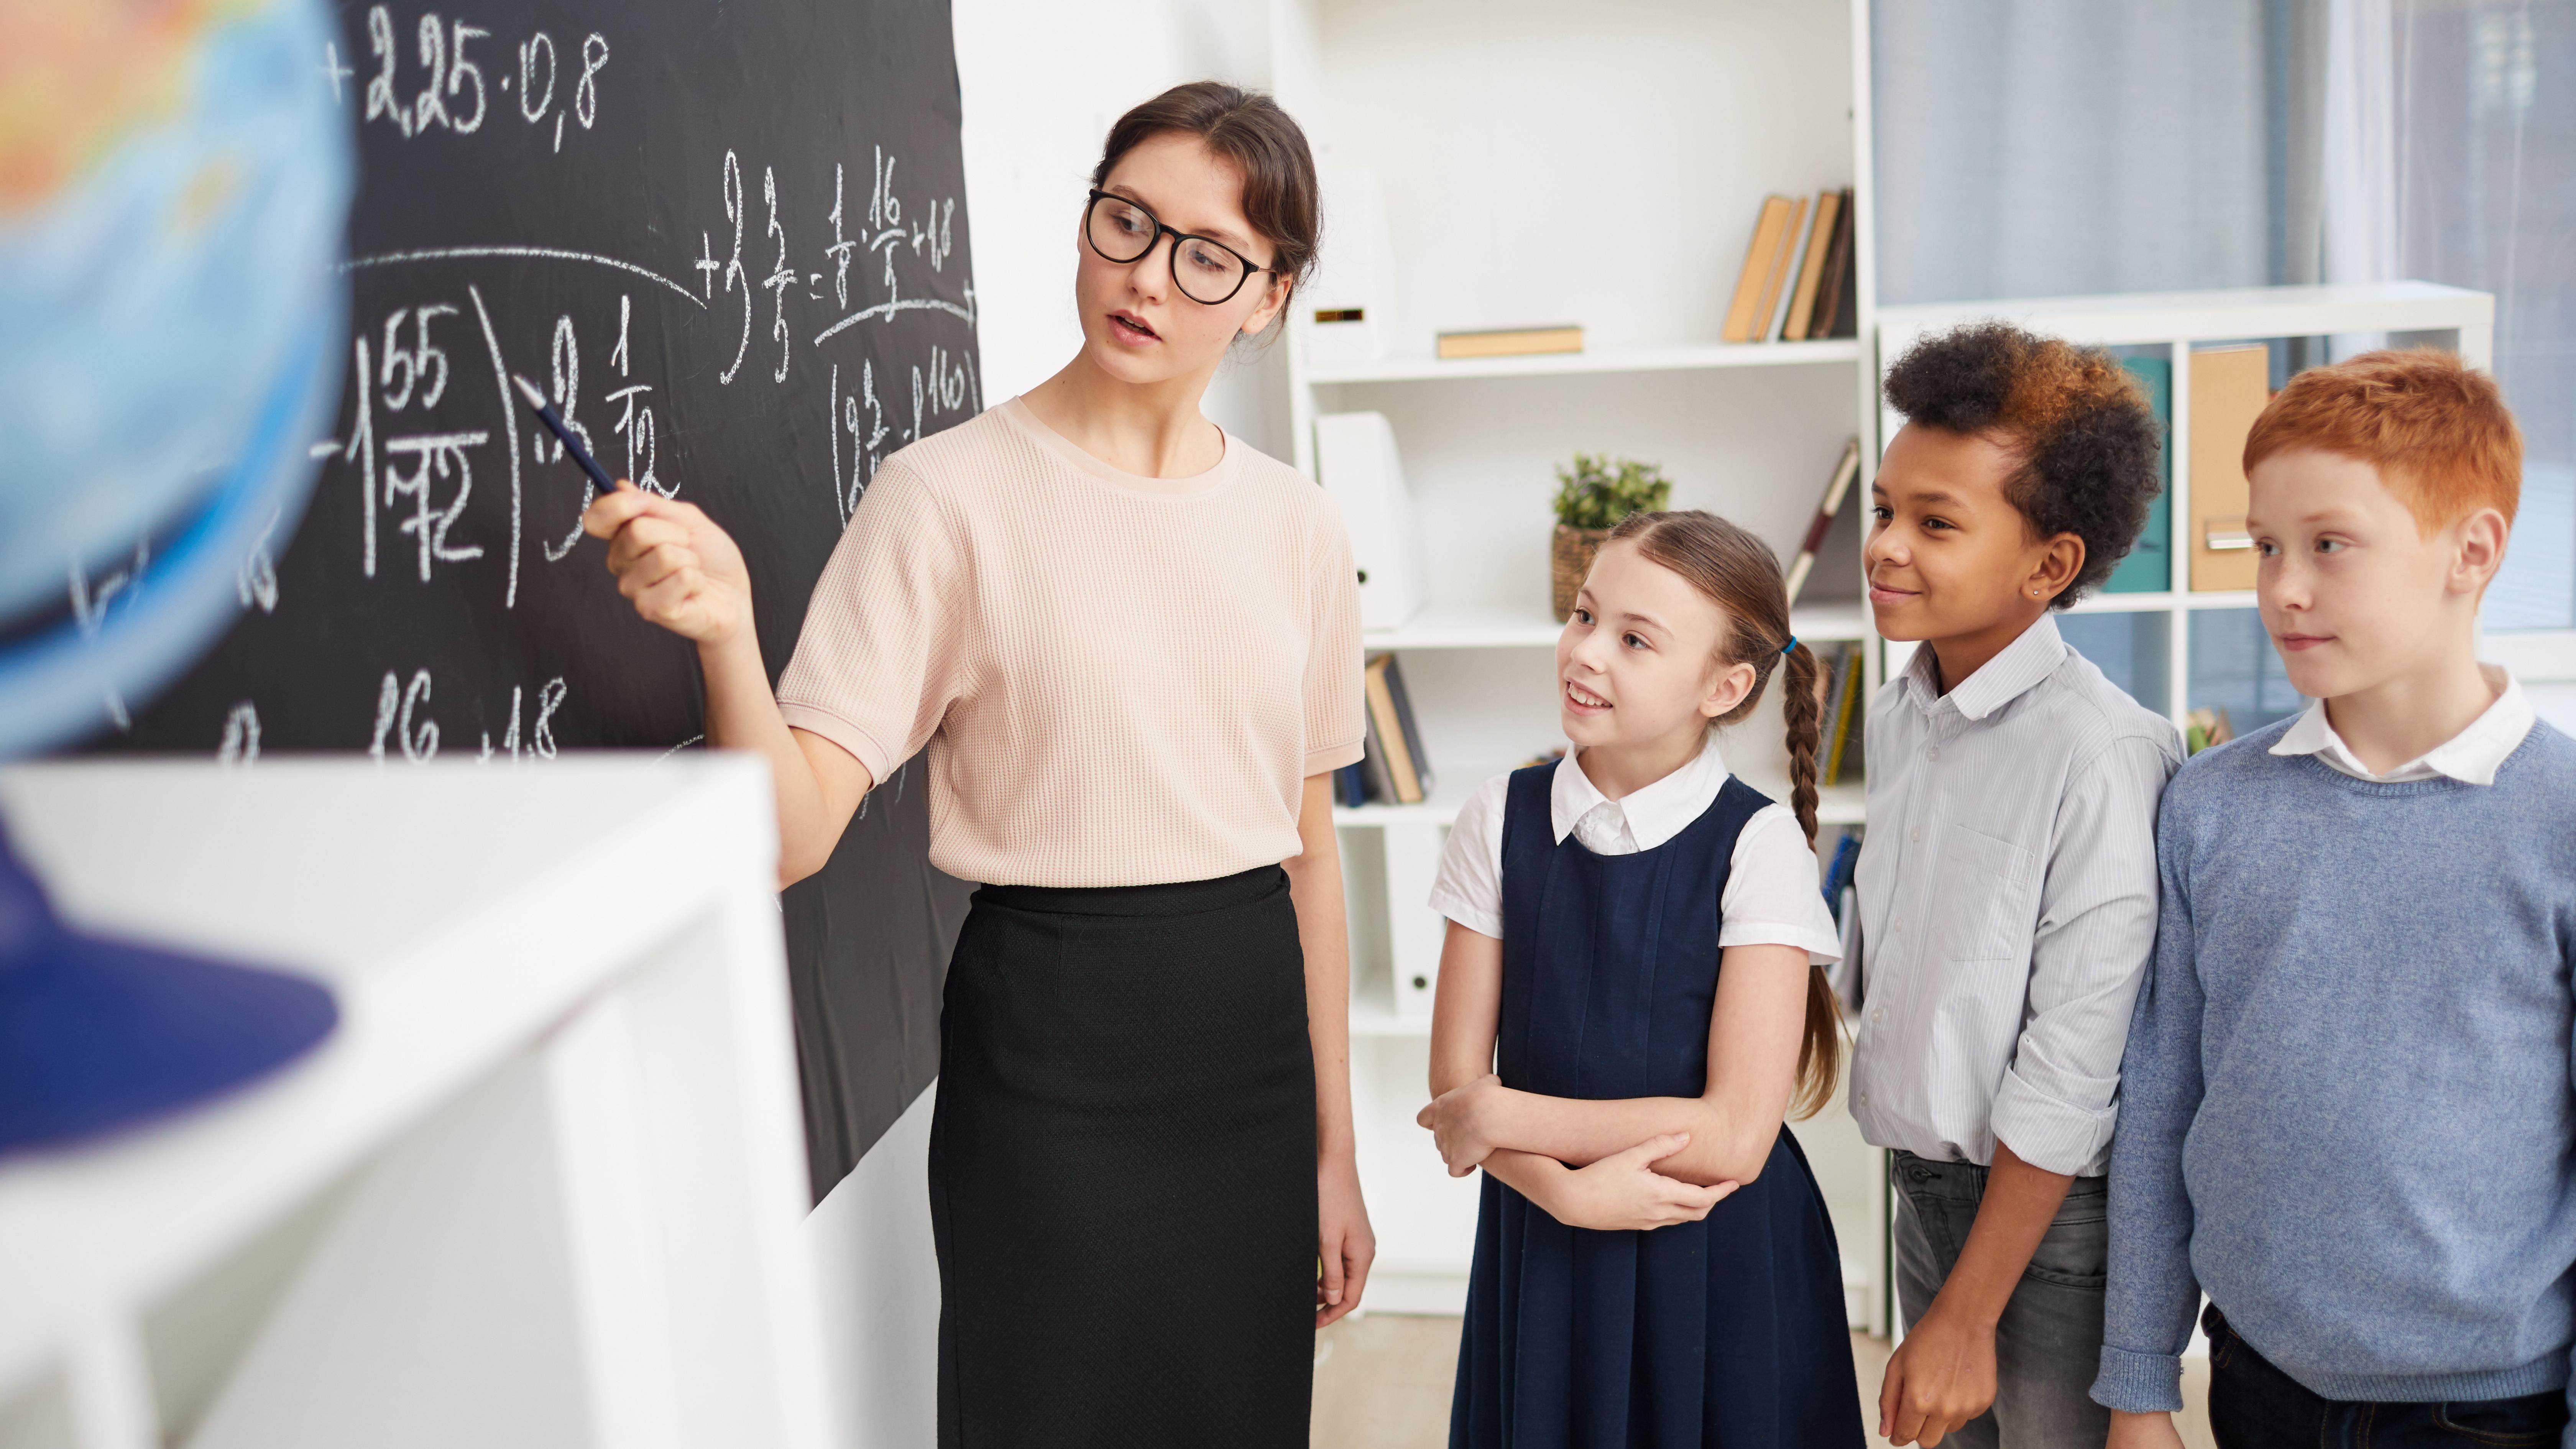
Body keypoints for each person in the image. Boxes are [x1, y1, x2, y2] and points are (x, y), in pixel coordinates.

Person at [579, 81, 1372, 1447]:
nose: (1148, 277)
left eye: (1208, 256)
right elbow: (787, 838)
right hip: (1051, 1043)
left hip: (1249, 1050)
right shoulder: (943, 497)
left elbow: (1310, 855)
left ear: (1269, 296)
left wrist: (1335, 1150)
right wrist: (726, 634)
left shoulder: (1298, 526)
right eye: (1127, 223)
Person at [2095, 350, 2575, 1449]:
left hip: (2486, 1410)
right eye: (2266, 546)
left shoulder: (2560, 816)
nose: (2283, 588)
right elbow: (2162, 1103)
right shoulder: (2211, 804)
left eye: (2330, 545)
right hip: (2255, 1381)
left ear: (2473, 551)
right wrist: (2138, 1383)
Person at [1416, 509, 1866, 1447]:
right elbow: (1455, 1095)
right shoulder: (1496, 818)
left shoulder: (1760, 846)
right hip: (1542, 1234)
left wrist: (1504, 1116)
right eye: (1585, 616)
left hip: (1714, 1249)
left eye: (1635, 640)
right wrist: (1564, 1192)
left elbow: (1735, 1137)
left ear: (1725, 686)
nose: (1586, 652)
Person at [1854, 323, 2180, 1447]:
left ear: (2049, 566)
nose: (1887, 546)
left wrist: (1967, 1312)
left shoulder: (2105, 752)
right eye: (1885, 509)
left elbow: (2071, 1063)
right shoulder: (1899, 715)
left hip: (2044, 1229)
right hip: (1921, 1192)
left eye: (1936, 523)